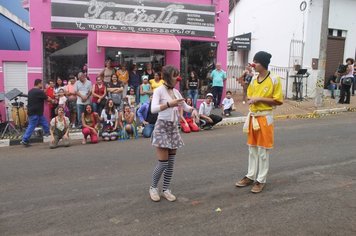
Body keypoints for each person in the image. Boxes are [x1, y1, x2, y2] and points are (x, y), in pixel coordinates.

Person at [235, 51, 283, 194]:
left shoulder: (274, 79)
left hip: (265, 117)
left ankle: (261, 180)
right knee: (252, 149)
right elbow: (249, 93)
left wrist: (259, 99)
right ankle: (250, 176)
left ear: (262, 63)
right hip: (253, 117)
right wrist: (243, 82)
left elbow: (278, 100)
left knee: (263, 151)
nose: (253, 64)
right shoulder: (254, 79)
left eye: (255, 61)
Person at [149, 65, 195, 202]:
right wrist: (170, 104)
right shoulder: (159, 91)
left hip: (173, 128)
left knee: (171, 163)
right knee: (163, 163)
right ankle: (153, 187)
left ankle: (166, 189)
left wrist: (193, 110)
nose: (178, 78)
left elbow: (185, 106)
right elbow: (153, 109)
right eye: (175, 75)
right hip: (162, 127)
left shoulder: (176, 92)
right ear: (168, 76)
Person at [21, 79, 50, 147]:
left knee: (44, 122)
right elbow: (47, 98)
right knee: (31, 126)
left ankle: (48, 133)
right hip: (35, 112)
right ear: (39, 84)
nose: (42, 85)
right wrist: (53, 100)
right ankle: (24, 140)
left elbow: (40, 97)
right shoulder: (39, 91)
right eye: (41, 84)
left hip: (35, 112)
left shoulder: (30, 91)